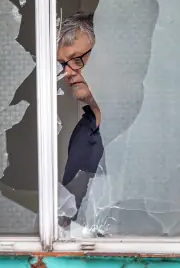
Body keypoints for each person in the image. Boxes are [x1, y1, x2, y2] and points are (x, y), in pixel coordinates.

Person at [57, 12, 104, 225]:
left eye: (77, 60)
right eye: (62, 64)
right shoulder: (81, 131)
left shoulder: (139, 125)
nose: (68, 72)